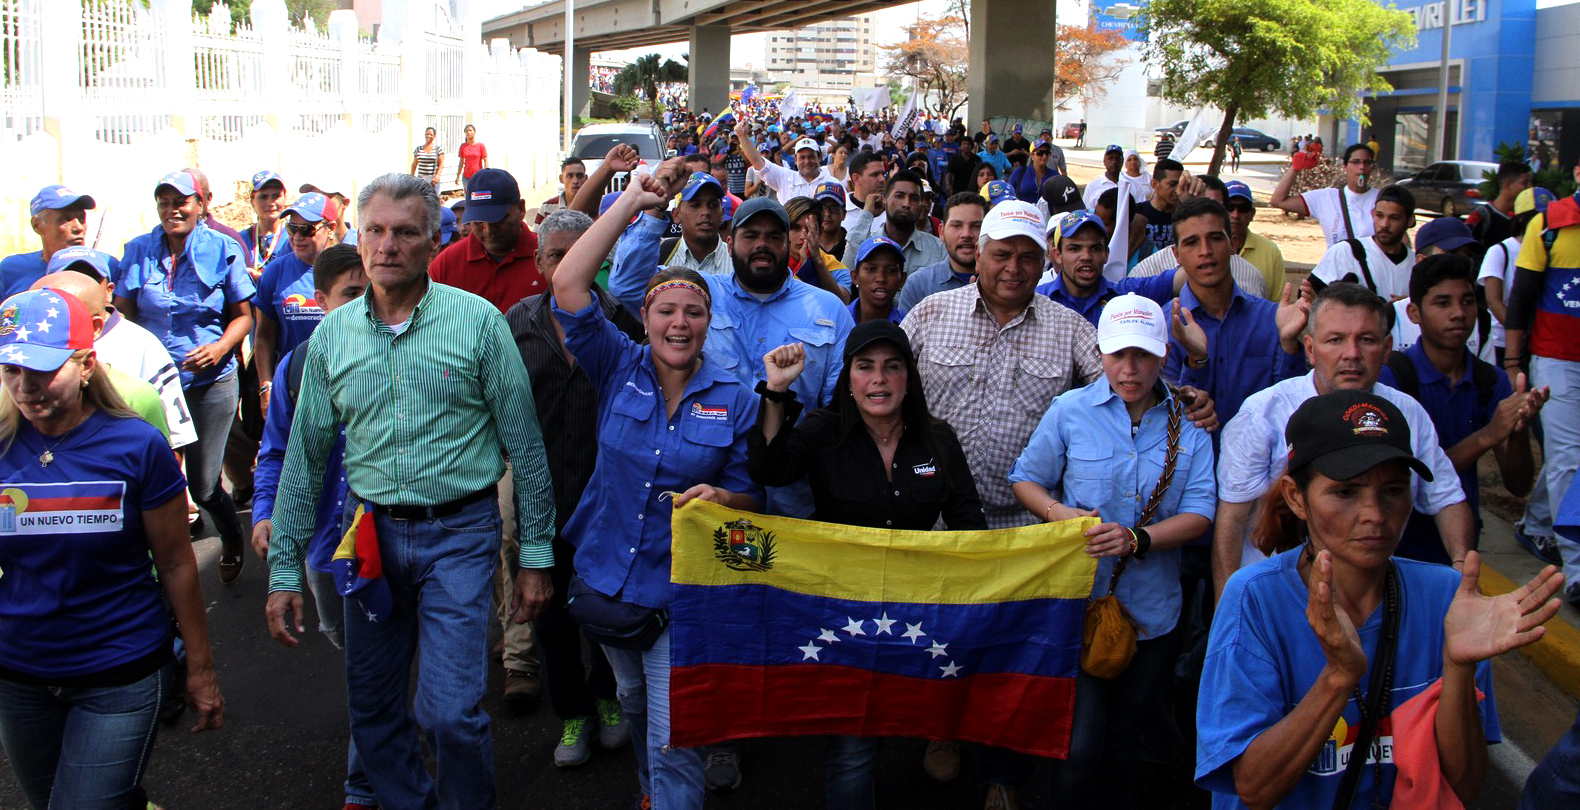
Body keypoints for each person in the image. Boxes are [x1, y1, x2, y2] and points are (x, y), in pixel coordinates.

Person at [265, 173, 556, 810]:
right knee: (372, 709)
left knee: (450, 712)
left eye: (405, 232)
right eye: (375, 231)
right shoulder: (331, 339)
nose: (387, 245)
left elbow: (526, 447)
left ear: (433, 242)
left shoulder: (479, 324)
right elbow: (305, 460)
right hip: (370, 539)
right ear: (358, 238)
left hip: (461, 533)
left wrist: (535, 555)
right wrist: (284, 570)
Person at [1197, 389, 1564, 809]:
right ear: (1297, 498)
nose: (1374, 513)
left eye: (1392, 490)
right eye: (1346, 492)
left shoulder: (1446, 597)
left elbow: (1462, 785)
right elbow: (1254, 788)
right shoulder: (1255, 599)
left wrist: (1459, 667)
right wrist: (1339, 676)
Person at [551, 172, 763, 810]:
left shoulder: (737, 400)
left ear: (707, 322)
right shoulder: (616, 363)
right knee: (636, 702)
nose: (679, 323)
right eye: (665, 310)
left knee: (676, 736)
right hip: (610, 582)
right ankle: (649, 792)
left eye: (693, 312)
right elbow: (568, 283)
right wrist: (632, 204)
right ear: (642, 317)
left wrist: (725, 502)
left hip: (681, 596)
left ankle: (668, 795)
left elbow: (753, 498)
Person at [0, 287, 224, 809]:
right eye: (11, 371)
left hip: (120, 672)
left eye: (43, 371)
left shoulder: (137, 445)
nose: (26, 388)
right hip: (20, 677)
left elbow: (175, 563)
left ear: (85, 364)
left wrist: (200, 666)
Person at [749, 321, 986, 809]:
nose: (878, 380)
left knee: (912, 716)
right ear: (848, 377)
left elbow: (970, 527)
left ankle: (940, 736)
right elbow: (769, 470)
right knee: (853, 750)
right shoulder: (821, 431)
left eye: (891, 367)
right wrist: (775, 390)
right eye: (865, 367)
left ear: (909, 377)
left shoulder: (938, 440)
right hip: (845, 614)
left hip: (920, 613)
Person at [1009, 294, 1216, 810]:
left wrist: (1139, 539)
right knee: (1078, 746)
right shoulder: (1070, 411)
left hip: (1154, 615)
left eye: (1143, 355)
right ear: (1100, 353)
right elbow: (1026, 480)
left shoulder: (1190, 423)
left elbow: (1201, 512)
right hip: (1079, 607)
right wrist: (1062, 516)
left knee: (1127, 741)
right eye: (1118, 354)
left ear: (1163, 354)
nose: (1130, 369)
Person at [1212, 283, 1472, 599]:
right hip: (1278, 598)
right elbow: (1232, 519)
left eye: (1366, 340)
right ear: (1309, 348)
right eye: (1335, 340)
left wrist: (1463, 572)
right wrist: (1227, 609)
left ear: (1387, 348)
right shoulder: (1263, 413)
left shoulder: (1407, 413)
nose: (1352, 354)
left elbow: (1446, 498)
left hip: (1371, 597)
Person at [249, 244, 379, 809]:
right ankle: (387, 738)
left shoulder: (407, 354)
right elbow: (274, 451)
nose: (364, 305)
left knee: (374, 663)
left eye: (369, 292)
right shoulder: (297, 368)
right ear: (321, 303)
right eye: (351, 295)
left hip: (390, 541)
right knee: (352, 650)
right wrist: (265, 512)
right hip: (326, 547)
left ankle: (365, 783)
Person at [503, 209, 635, 768]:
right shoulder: (515, 324)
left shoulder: (621, 320)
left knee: (605, 609)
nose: (564, 263)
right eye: (555, 254)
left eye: (576, 252)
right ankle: (573, 712)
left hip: (606, 498)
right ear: (539, 263)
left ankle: (608, 698)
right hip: (540, 497)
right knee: (550, 615)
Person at [113, 169, 254, 585]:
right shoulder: (138, 250)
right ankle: (154, 569)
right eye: (165, 202)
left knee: (206, 485)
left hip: (211, 385)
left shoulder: (224, 248)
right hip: (153, 387)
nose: (173, 210)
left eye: (182, 201)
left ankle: (231, 537)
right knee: (147, 480)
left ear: (200, 205)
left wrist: (218, 348)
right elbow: (122, 315)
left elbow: (243, 318)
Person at [1378, 254, 1545, 564]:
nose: (1458, 314)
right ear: (1414, 313)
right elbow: (1417, 477)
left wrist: (1518, 432)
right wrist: (1488, 435)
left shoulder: (1488, 381)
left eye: (1467, 302)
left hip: (1459, 545)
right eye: (1442, 303)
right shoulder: (1394, 378)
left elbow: (1518, 485)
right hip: (1398, 547)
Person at [1161, 198, 1308, 431]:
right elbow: (1165, 411)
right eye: (1192, 243)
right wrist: (1196, 363)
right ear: (1176, 254)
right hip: (1190, 463)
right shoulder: (1164, 324)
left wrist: (1289, 345)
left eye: (1216, 238)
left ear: (1233, 245)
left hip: (1258, 462)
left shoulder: (1271, 320)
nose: (1205, 251)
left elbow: (1291, 405)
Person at [1503, 161, 1580, 605]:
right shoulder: (1549, 225)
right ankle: (1576, 566)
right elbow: (1522, 298)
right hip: (1556, 361)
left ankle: (1535, 524)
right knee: (1567, 456)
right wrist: (1516, 362)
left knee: (1572, 456)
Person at [1479, 187, 1560, 564]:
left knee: (1559, 447)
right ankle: (1541, 521)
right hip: (1509, 350)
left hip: (1543, 349)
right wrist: (1515, 344)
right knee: (1545, 440)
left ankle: (1540, 517)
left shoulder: (1555, 243)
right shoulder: (1502, 251)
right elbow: (1495, 298)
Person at [254, 192, 340, 396]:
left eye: (307, 230)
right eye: (292, 228)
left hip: (343, 385)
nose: (297, 237)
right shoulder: (275, 272)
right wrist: (266, 385)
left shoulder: (351, 270)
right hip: (293, 386)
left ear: (331, 229)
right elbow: (264, 336)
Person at [1035, 211, 1181, 326]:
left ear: (1106, 254)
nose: (1086, 256)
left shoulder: (1126, 294)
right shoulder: (1036, 301)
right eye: (1075, 248)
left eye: (1095, 248)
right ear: (1057, 255)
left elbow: (1184, 277)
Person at [430, 168, 546, 313]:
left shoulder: (550, 257)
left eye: (498, 219)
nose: (489, 230)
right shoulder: (445, 266)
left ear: (521, 209)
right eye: (478, 222)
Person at [1309, 184, 1417, 300]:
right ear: (1372, 214)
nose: (1384, 224)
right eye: (1379, 216)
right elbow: (1309, 297)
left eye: (1394, 218)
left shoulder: (1416, 265)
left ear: (1410, 221)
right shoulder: (1345, 252)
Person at [1271, 143, 1380, 247]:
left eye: (1367, 162)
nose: (1362, 167)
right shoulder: (1326, 198)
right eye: (1356, 162)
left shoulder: (1381, 199)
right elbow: (1278, 201)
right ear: (1345, 166)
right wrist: (1295, 168)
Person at [841, 170, 947, 275]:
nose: (906, 204)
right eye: (899, 196)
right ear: (885, 199)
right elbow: (845, 277)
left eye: (914, 198)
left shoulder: (939, 249)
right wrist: (867, 214)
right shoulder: (865, 242)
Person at [895, 192, 985, 313]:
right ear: (941, 232)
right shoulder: (919, 285)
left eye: (976, 226)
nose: (966, 234)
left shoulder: (1004, 284)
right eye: (957, 226)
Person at [1, 185, 95, 300]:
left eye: (82, 219)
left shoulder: (105, 267)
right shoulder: (12, 269)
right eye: (66, 219)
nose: (78, 227)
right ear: (37, 225)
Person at [737, 119, 835, 203]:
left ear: (820, 157)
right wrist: (742, 136)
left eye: (811, 157)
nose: (807, 161)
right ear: (795, 159)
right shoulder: (785, 178)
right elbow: (758, 163)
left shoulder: (832, 183)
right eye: (802, 157)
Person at [1223, 181, 1286, 298]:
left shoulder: (1270, 252)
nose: (1235, 215)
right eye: (1229, 207)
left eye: (1243, 208)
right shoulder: (1206, 250)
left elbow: (1276, 303)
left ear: (1252, 214)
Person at [785, 196, 853, 302]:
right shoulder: (772, 263)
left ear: (820, 232)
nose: (803, 236)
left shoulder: (836, 268)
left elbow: (843, 302)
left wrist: (817, 261)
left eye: (809, 229)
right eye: (795, 228)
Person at [1466, 161, 1532, 249]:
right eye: (1525, 183)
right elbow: (1464, 245)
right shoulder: (1481, 215)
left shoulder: (1524, 218)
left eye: (1530, 183)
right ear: (1506, 185)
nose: (1530, 187)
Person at [846, 237, 907, 324]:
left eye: (891, 270)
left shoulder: (909, 325)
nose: (881, 278)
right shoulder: (837, 319)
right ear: (855, 277)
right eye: (871, 269)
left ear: (902, 280)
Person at [240, 170, 288, 276]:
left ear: (285, 197)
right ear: (252, 200)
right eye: (263, 197)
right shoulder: (241, 240)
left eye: (276, 196)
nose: (271, 203)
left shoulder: (293, 238)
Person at [1135, 158, 1185, 248]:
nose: (1178, 190)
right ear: (1154, 184)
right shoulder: (1137, 213)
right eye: (1172, 184)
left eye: (1181, 184)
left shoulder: (1185, 215)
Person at [536, 157, 587, 226]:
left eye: (579, 176)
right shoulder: (547, 208)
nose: (575, 181)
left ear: (586, 178)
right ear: (561, 179)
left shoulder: (598, 206)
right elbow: (536, 235)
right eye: (570, 176)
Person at [1007, 140, 1059, 204]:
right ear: (1032, 155)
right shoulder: (1019, 172)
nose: (1044, 156)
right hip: (1023, 212)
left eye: (1047, 153)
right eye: (1040, 153)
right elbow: (1008, 195)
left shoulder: (1054, 176)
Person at [1081, 145, 1126, 212]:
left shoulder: (1129, 185)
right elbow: (1087, 212)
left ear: (1122, 162)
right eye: (1110, 158)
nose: (1114, 162)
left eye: (1117, 158)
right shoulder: (1092, 186)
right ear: (1104, 161)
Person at [814, 181, 850, 259]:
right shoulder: (805, 243)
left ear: (843, 214)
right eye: (822, 208)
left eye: (834, 208)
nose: (827, 214)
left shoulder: (851, 245)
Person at [455, 123, 488, 187]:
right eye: (467, 131)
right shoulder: (463, 146)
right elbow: (461, 162)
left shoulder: (481, 146)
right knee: (468, 196)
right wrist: (458, 175)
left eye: (470, 130)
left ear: (474, 132)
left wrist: (486, 174)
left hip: (478, 177)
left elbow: (486, 160)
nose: (469, 132)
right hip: (466, 177)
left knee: (477, 195)